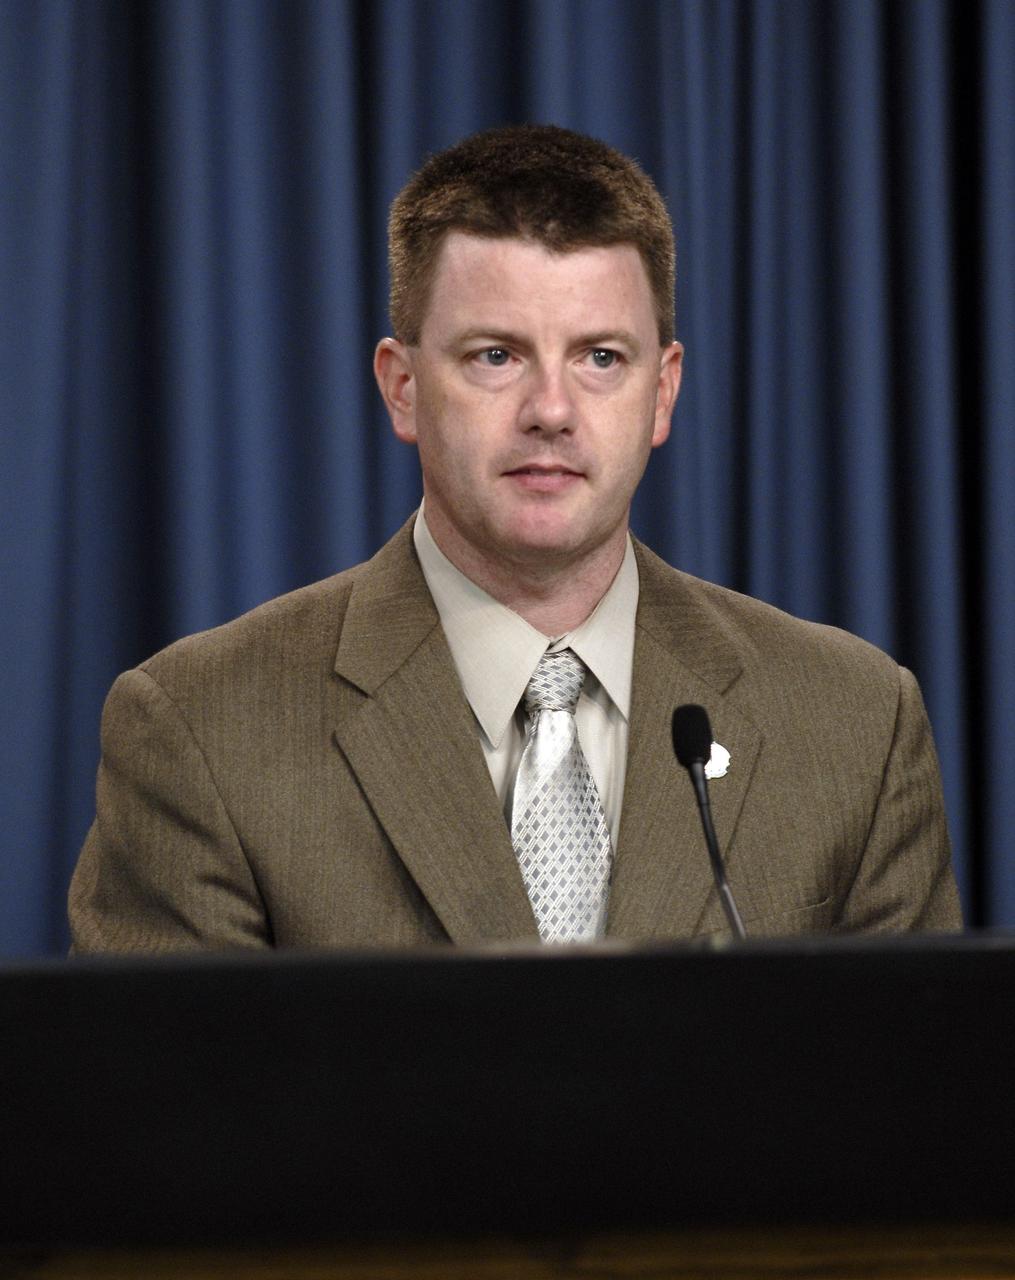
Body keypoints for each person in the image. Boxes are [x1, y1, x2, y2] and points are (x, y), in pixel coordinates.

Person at [68, 124, 961, 951]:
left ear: (663, 392)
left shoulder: (855, 725)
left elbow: (915, 1104)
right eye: (495, 355)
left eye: (600, 357)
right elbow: (164, 1114)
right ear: (402, 386)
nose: (551, 412)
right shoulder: (200, 730)